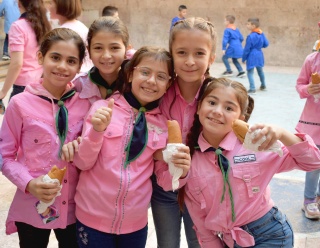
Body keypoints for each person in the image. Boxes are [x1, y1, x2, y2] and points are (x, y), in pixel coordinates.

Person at [63, 46, 191, 248]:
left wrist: (180, 172)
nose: (151, 81)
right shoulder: (103, 109)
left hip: (135, 224)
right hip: (92, 218)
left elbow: (165, 181)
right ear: (131, 74)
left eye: (160, 76)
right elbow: (83, 162)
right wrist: (97, 131)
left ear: (168, 85)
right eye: (145, 72)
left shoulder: (163, 126)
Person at [182, 76, 320, 247]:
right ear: (198, 107)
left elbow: (313, 162)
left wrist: (283, 134)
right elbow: (201, 222)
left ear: (241, 117)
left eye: (228, 107)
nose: (218, 111)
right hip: (230, 241)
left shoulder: (256, 145)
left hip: (270, 236)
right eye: (211, 102)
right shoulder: (190, 160)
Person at [0, 28, 91, 248]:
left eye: (71, 61)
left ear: (79, 66)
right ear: (41, 57)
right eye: (55, 57)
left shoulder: (85, 104)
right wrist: (29, 183)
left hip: (73, 209)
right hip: (32, 204)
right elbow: (5, 155)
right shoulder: (20, 104)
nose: (62, 66)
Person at [151, 17, 216, 248]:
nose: (190, 61)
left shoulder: (217, 97)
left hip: (201, 192)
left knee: (199, 243)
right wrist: (162, 154)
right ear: (171, 55)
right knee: (167, 244)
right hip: (164, 189)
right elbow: (141, 137)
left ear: (212, 58)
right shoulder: (158, 93)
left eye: (199, 53)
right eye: (181, 53)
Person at [0, 0, 51, 101]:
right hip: (40, 81)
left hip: (23, 85)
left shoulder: (18, 26)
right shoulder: (44, 24)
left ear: (19, 4)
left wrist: (3, 91)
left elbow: (17, 63)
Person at [73, 16, 129, 104]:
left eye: (114, 48)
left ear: (126, 50)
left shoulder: (135, 85)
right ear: (89, 51)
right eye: (98, 48)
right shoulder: (77, 85)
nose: (106, 56)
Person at [296, 51, 320, 219]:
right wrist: (308, 89)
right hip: (314, 121)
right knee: (315, 163)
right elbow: (300, 85)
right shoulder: (312, 59)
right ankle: (309, 200)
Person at [48, 0, 93, 73]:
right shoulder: (80, 26)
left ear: (61, 5)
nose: (48, 7)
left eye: (51, 3)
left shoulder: (63, 32)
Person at [242, 17, 269, 94]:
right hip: (259, 54)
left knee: (250, 72)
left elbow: (247, 49)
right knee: (260, 71)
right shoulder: (261, 34)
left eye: (248, 24)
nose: (247, 25)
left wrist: (244, 58)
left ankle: (252, 88)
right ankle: (263, 85)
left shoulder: (250, 36)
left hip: (252, 54)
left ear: (253, 26)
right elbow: (266, 44)